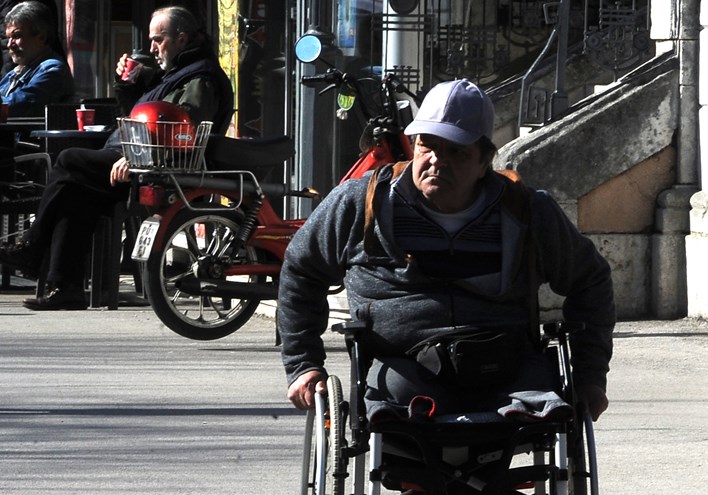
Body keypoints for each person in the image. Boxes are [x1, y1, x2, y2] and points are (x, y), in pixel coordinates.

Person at [278, 79, 614, 423]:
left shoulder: (526, 211)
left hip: (506, 369)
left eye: (456, 151)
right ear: (413, 145)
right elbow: (302, 269)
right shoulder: (360, 203)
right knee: (394, 409)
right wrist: (304, 364)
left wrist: (589, 376)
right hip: (403, 373)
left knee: (544, 405)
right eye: (427, 145)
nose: (437, 160)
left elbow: (590, 280)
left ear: (485, 161)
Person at [0, 5, 233, 310]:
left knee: (69, 160)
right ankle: (65, 288)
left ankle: (33, 246)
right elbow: (138, 116)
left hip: (160, 174)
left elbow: (179, 131)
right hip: (139, 163)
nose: (152, 48)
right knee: (74, 193)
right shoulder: (175, 73)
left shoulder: (200, 77)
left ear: (181, 38)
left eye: (158, 40)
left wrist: (134, 157)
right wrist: (128, 85)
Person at [0, 1, 74, 117]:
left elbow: (22, 103)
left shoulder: (52, 69)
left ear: (42, 37)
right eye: (8, 37)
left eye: (17, 36)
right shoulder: (15, 73)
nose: (9, 44)